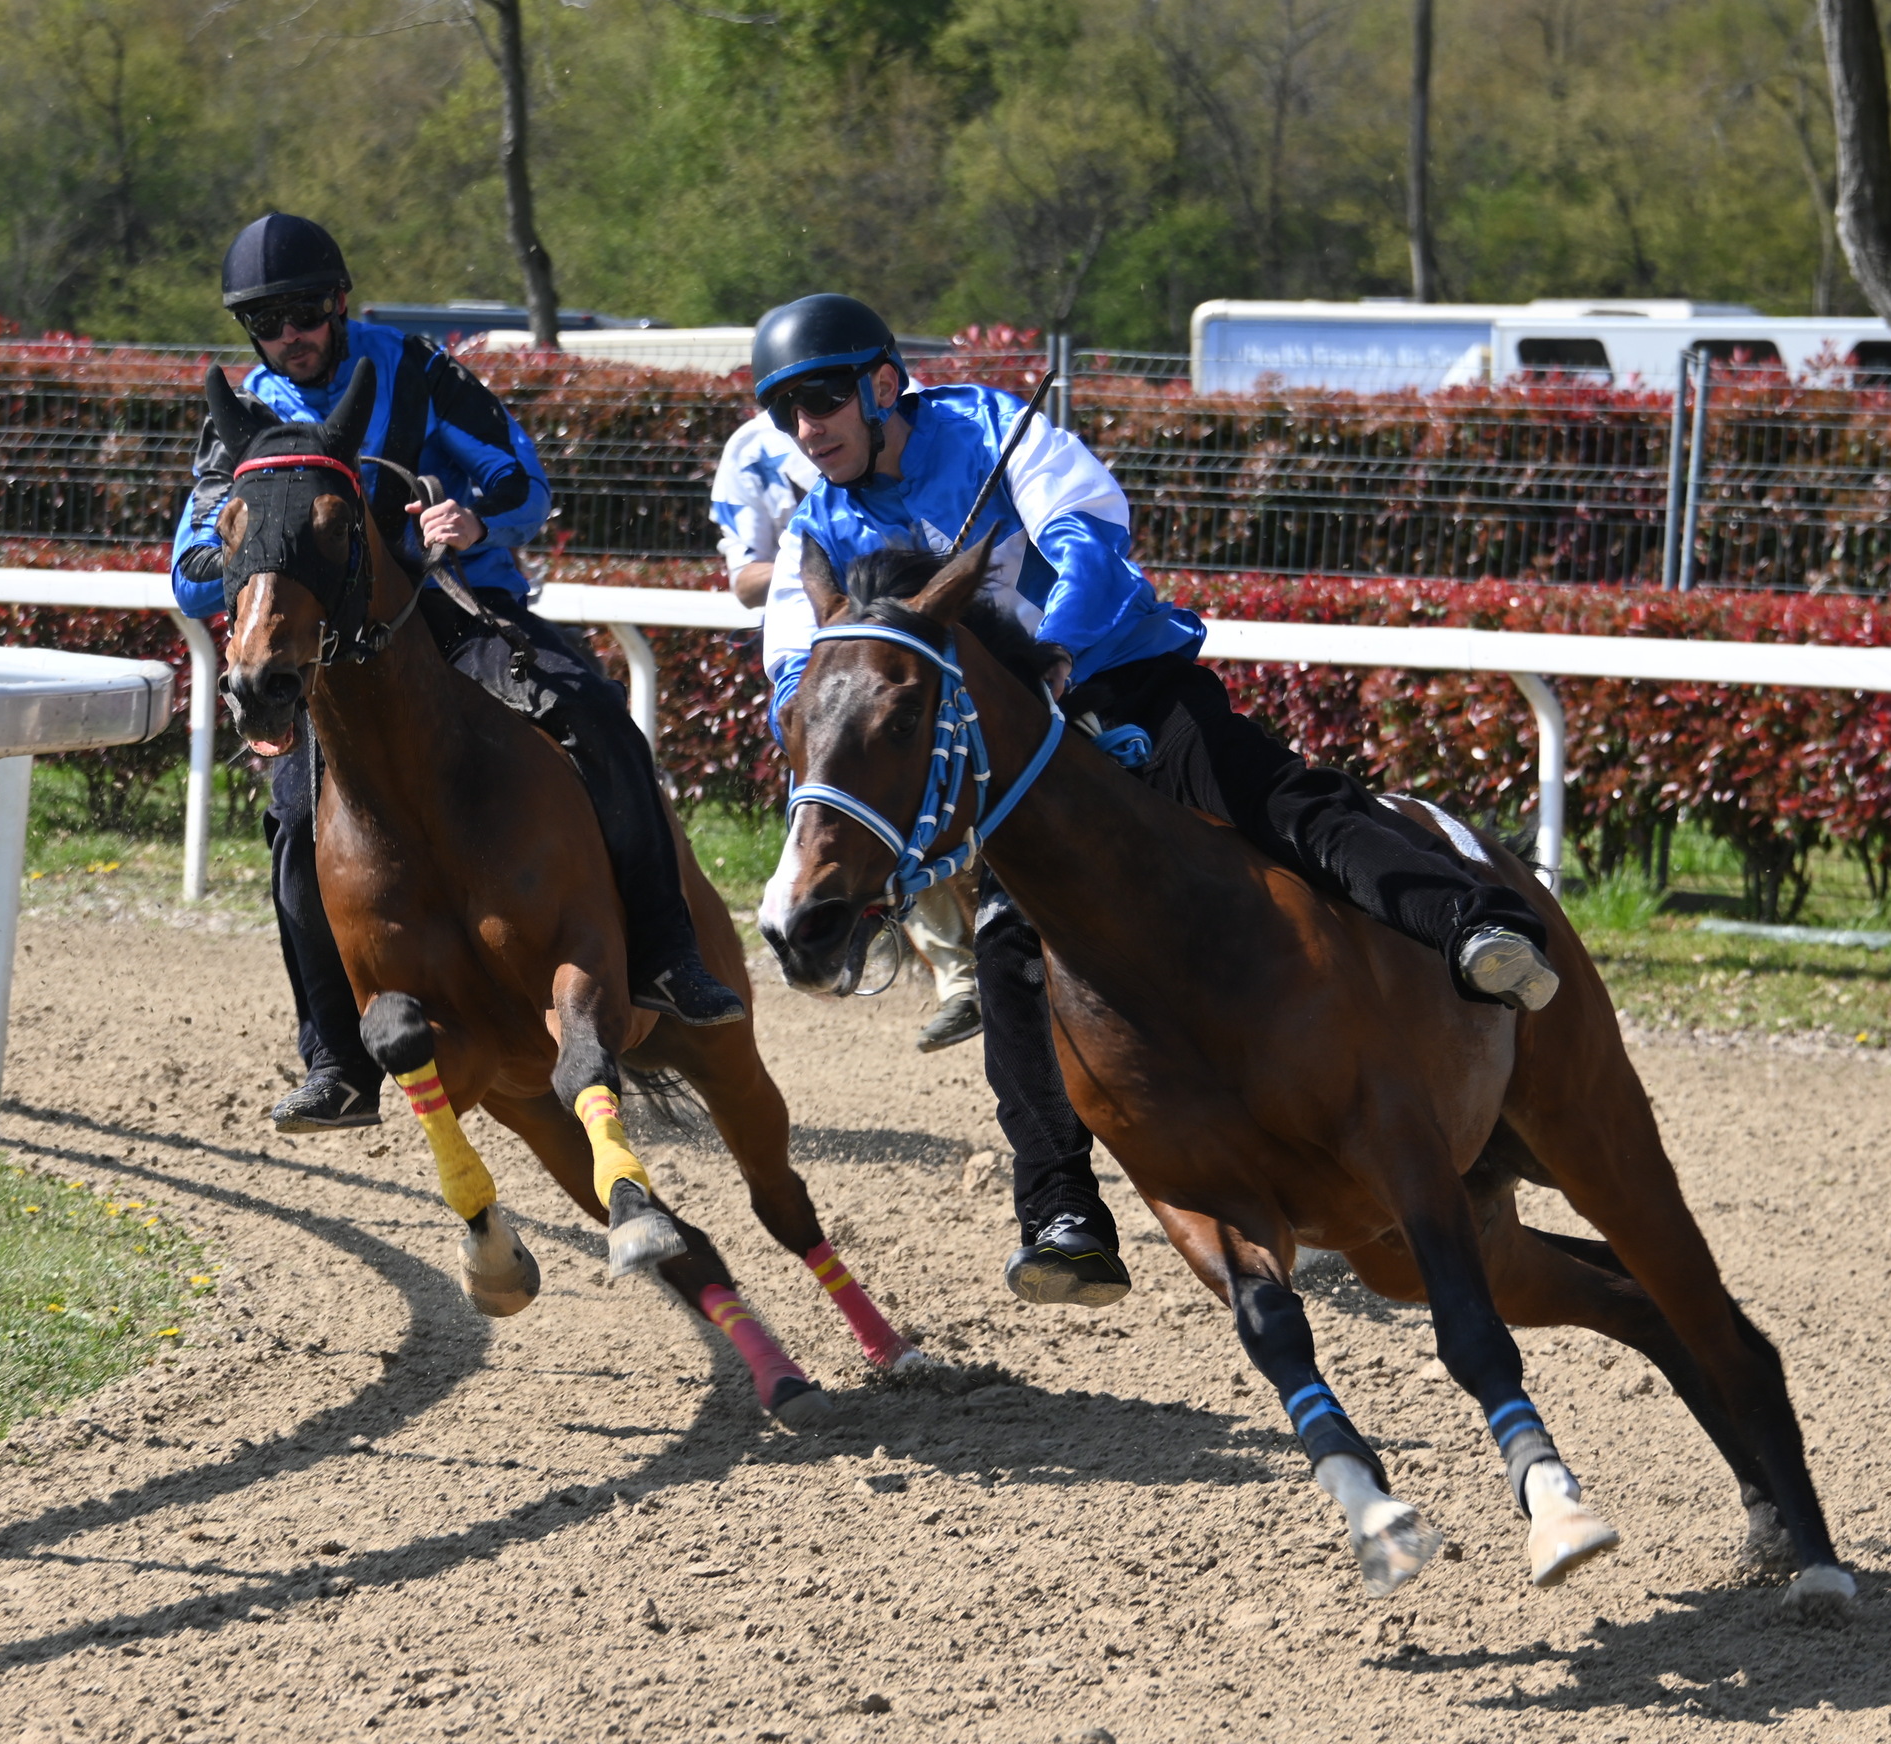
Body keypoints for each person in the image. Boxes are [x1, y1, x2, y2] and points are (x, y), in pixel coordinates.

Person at [752, 293, 1559, 1308]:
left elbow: (1091, 540)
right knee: (1010, 944)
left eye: (821, 401)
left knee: (1277, 802)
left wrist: (1054, 661)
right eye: (785, 414)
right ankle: (1061, 1214)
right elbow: (795, 664)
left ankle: (1473, 920)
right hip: (1019, 763)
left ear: (880, 386)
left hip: (1119, 683)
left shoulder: (994, 430)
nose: (806, 429)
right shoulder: (814, 519)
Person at [172, 213, 745, 1135]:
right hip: (331, 653)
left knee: (599, 717)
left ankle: (669, 954)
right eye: (268, 321)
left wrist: (472, 522)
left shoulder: (420, 369)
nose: (292, 335)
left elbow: (523, 480)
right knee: (289, 817)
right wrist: (254, 570)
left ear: (340, 302)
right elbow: (189, 558)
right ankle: (336, 1059)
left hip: (458, 608)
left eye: (306, 311)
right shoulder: (243, 418)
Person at [714, 408, 981, 1051]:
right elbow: (744, 578)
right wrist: (808, 570)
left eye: (823, 395)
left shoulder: (908, 427)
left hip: (917, 634)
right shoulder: (748, 452)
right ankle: (959, 976)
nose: (811, 421)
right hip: (835, 643)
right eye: (792, 403)